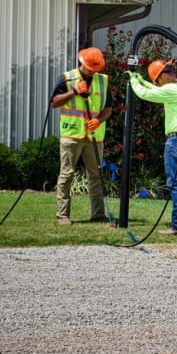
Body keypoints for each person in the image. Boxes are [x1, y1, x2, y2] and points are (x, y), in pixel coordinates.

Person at [128, 60, 177, 235]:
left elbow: (144, 94)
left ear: (163, 76)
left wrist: (133, 80)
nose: (157, 84)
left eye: (156, 80)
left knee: (176, 184)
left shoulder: (170, 90)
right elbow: (154, 89)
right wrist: (143, 80)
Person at [50, 47, 113, 225]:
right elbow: (54, 103)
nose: (93, 72)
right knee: (66, 174)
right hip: (71, 134)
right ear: (82, 63)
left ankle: (98, 215)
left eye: (96, 69)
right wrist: (74, 92)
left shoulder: (104, 81)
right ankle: (62, 215)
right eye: (90, 69)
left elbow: (108, 109)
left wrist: (98, 120)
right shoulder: (66, 78)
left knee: (96, 176)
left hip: (94, 136)